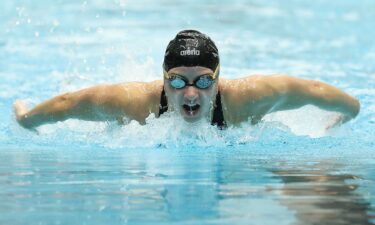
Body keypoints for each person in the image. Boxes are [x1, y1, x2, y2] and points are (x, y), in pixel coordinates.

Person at [14, 30, 360, 130]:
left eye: (204, 81)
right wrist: (27, 118)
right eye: (178, 82)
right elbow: (67, 104)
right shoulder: (136, 103)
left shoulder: (248, 99)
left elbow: (317, 91)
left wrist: (345, 116)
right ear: (163, 81)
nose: (191, 92)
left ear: (220, 79)